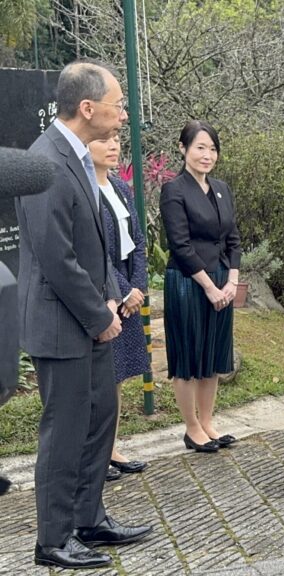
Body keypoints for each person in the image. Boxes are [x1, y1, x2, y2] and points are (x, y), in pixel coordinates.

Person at [18, 60, 151, 570]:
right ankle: (52, 540)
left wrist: (107, 305)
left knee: (100, 421)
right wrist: (101, 315)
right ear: (88, 107)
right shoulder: (46, 161)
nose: (123, 116)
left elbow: (91, 246)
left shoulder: (75, 157)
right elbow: (57, 258)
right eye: (118, 105)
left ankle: (89, 518)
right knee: (65, 430)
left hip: (90, 320)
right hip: (63, 325)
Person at [160, 121, 240, 454]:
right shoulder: (174, 190)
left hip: (222, 281)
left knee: (212, 355)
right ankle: (192, 428)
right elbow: (180, 245)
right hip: (189, 282)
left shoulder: (221, 188)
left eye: (212, 149)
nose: (207, 155)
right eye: (200, 148)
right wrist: (209, 287)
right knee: (189, 357)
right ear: (183, 149)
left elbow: (233, 238)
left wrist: (232, 280)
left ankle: (208, 422)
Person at [88, 134, 149, 482]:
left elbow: (138, 241)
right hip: (103, 293)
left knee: (117, 377)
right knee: (99, 379)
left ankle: (110, 449)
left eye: (115, 140)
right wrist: (124, 292)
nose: (113, 146)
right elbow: (94, 253)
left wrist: (138, 287)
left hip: (127, 292)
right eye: (103, 140)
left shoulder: (119, 186)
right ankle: (94, 454)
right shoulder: (84, 190)